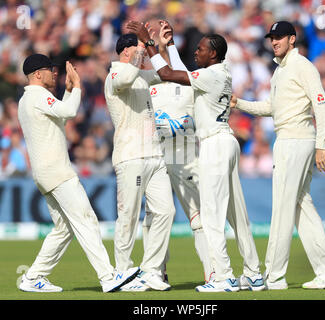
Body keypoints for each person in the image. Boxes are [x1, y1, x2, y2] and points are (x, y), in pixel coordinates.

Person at [127, 21, 265, 292]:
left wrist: (151, 43)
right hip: (225, 140)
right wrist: (171, 45)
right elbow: (182, 72)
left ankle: (222, 276)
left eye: (201, 49)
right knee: (237, 213)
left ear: (212, 54)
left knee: (211, 216)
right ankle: (254, 273)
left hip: (212, 144)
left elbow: (169, 73)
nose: (196, 53)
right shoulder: (220, 72)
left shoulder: (210, 75)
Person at [230, 21, 325, 290]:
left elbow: (322, 104)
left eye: (280, 37)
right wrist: (240, 103)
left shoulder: (301, 65)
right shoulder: (280, 70)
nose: (275, 42)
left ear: (292, 39)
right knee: (300, 206)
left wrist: (321, 144)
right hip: (289, 139)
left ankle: (273, 275)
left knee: (282, 207)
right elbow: (272, 107)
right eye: (272, 37)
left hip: (295, 140)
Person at [17, 53, 138, 293]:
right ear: (37, 74)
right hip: (57, 172)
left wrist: (70, 91)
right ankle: (108, 276)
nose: (56, 73)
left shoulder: (27, 99)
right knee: (86, 220)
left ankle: (33, 277)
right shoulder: (38, 95)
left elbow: (60, 118)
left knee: (64, 228)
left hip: (44, 173)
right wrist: (79, 87)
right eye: (51, 70)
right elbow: (71, 112)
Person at [143, 20, 215, 284]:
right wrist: (149, 45)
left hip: (184, 157)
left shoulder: (185, 82)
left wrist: (166, 45)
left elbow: (180, 73)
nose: (161, 61)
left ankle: (213, 273)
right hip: (156, 157)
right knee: (155, 219)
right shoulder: (147, 85)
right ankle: (155, 273)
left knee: (198, 220)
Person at [104, 34, 176, 291]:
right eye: (138, 47)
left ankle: (150, 270)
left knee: (166, 211)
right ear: (126, 51)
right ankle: (122, 271)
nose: (143, 51)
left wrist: (160, 46)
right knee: (129, 215)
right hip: (130, 156)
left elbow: (165, 73)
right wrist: (142, 50)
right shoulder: (114, 75)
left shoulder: (141, 76)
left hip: (155, 156)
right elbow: (125, 78)